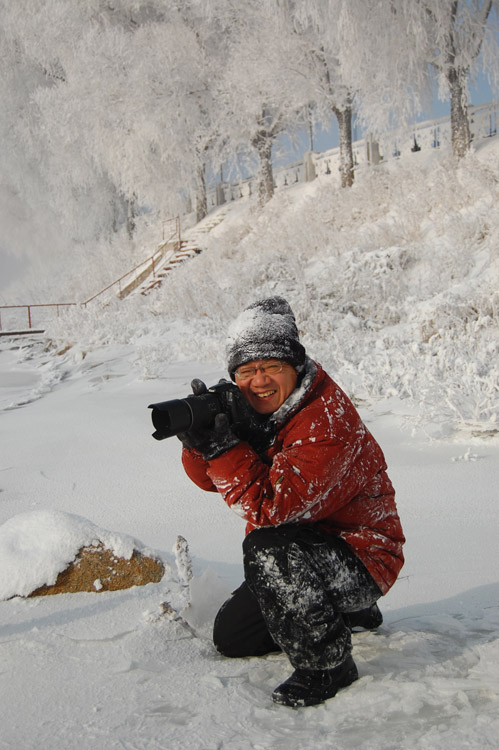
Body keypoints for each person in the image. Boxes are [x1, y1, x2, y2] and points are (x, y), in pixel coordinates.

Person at [178, 297, 405, 708]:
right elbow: (212, 483)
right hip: (302, 551)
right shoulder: (261, 411)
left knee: (266, 545)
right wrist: (203, 443)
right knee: (232, 638)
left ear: (295, 367)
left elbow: (273, 508)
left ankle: (328, 665)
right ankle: (348, 616)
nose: (259, 380)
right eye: (247, 370)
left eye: (271, 366)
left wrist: (224, 449)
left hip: (363, 556)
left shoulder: (325, 419)